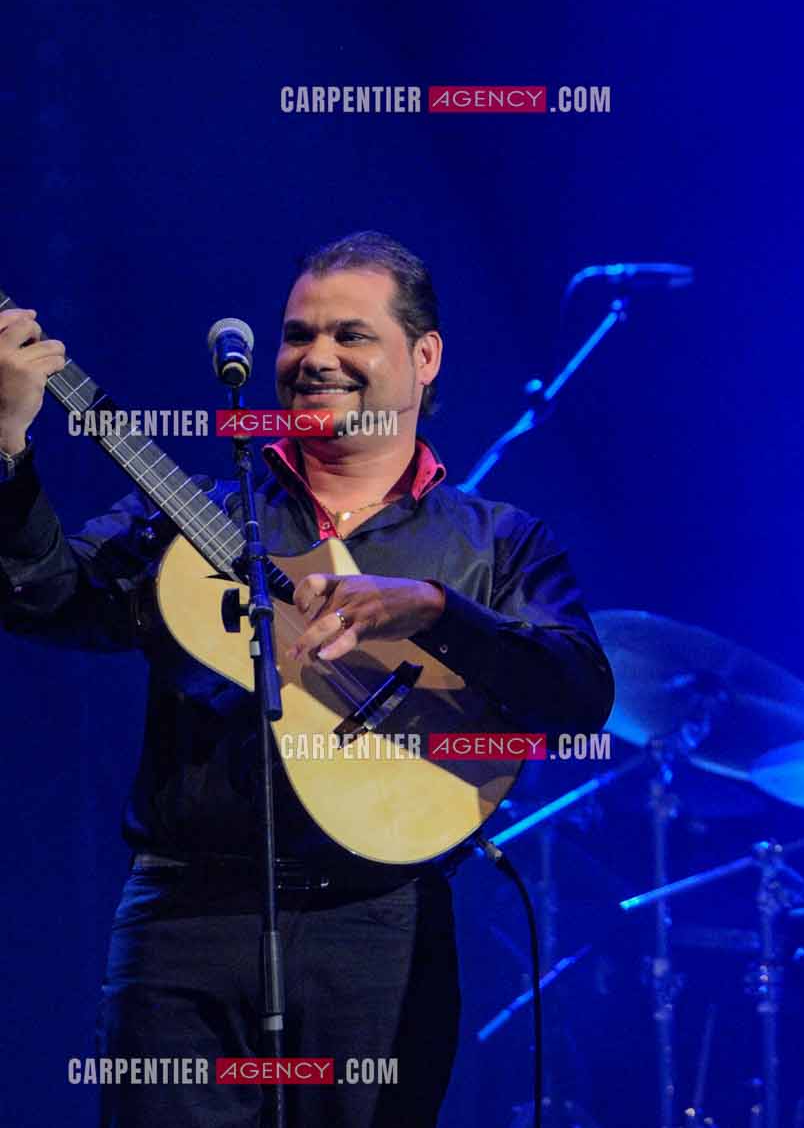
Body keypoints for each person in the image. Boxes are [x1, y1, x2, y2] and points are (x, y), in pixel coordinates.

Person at [0, 231, 615, 1128]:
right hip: (184, 926)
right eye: (297, 336)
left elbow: (579, 696)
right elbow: (45, 599)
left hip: (381, 931)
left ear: (425, 354)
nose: (315, 358)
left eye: (350, 335)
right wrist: (7, 452)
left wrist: (438, 610)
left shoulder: (496, 542)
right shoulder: (195, 512)